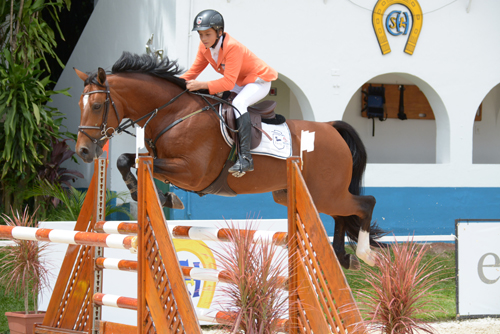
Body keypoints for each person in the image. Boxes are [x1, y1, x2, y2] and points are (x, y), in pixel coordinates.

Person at [181, 9, 278, 176]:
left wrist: (200, 85)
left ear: (219, 32)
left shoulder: (232, 47)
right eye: (200, 35)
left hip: (258, 80)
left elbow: (227, 82)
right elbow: (192, 74)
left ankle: (246, 158)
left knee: (239, 103)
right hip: (240, 82)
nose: (203, 39)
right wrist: (171, 83)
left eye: (207, 34)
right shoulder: (204, 47)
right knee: (218, 102)